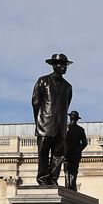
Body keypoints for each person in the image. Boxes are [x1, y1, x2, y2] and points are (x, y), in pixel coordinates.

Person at [32, 53, 74, 186]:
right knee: (43, 153)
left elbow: (66, 105)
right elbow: (36, 103)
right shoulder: (43, 81)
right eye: (61, 65)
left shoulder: (68, 86)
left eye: (65, 65)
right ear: (54, 66)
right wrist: (39, 122)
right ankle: (43, 178)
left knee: (58, 155)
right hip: (45, 124)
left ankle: (53, 179)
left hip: (61, 127)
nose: (63, 67)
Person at [63, 110, 88, 191]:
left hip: (66, 152)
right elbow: (84, 143)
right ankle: (73, 186)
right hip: (76, 154)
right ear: (77, 119)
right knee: (74, 171)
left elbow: (61, 140)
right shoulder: (80, 130)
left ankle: (67, 185)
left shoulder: (65, 128)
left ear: (70, 118)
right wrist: (78, 150)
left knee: (67, 170)